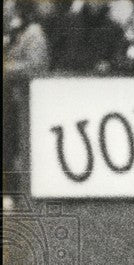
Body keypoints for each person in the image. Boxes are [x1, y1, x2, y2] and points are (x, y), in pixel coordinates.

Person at [3, 0, 49, 196]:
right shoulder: (10, 33)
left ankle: (14, 193)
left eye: (8, 5)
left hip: (20, 103)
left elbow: (37, 66)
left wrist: (6, 69)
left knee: (16, 149)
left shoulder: (32, 32)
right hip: (9, 101)